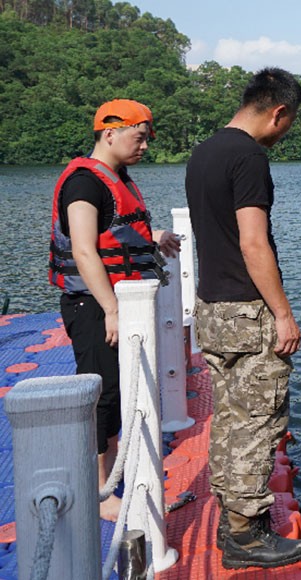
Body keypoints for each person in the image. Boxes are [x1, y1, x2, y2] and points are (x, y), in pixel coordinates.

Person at [185, 67, 301, 569]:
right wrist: (283, 314)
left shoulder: (204, 152)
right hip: (246, 312)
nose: (285, 133)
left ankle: (232, 519)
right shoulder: (248, 157)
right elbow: (253, 242)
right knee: (259, 421)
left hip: (212, 308)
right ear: (277, 111)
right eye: (290, 122)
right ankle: (246, 537)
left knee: (229, 420)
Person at [49, 98, 179, 521]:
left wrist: (153, 234)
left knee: (120, 390)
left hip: (120, 303)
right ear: (110, 133)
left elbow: (115, 232)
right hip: (94, 305)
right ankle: (100, 493)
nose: (144, 147)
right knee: (102, 394)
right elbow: (85, 250)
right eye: (138, 138)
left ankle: (111, 467)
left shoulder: (114, 178)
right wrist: (111, 310)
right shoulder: (85, 183)